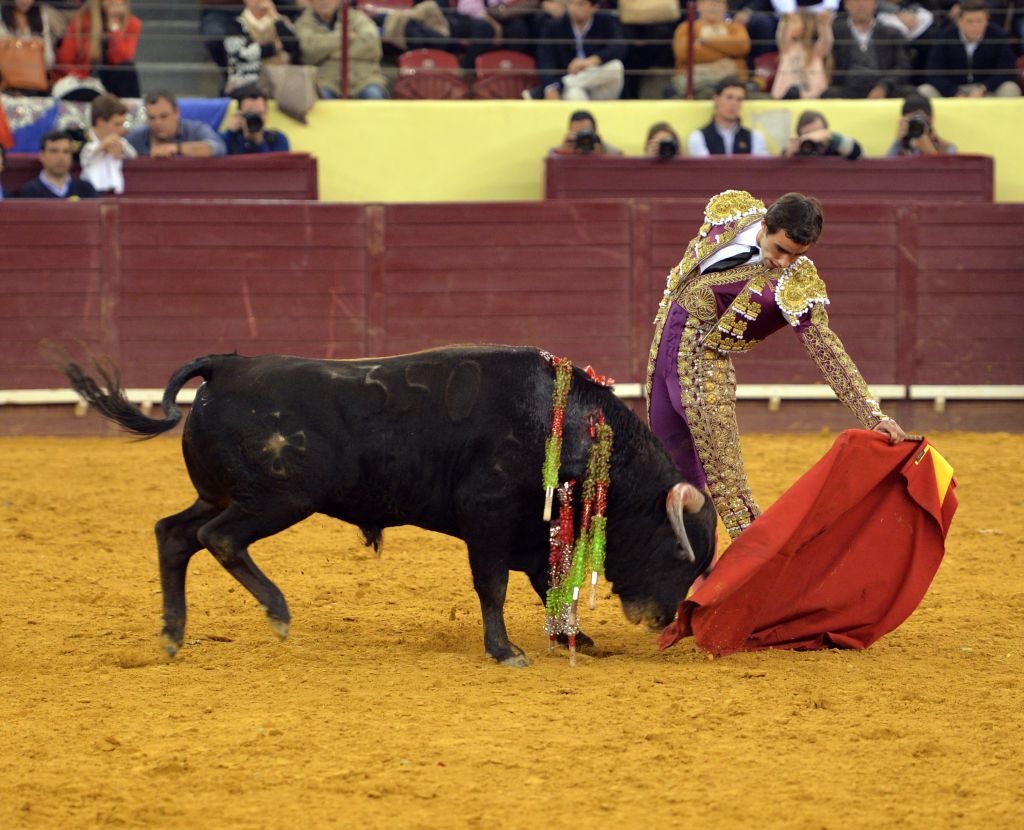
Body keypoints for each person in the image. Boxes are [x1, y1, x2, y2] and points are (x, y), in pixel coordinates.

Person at [646, 189, 906, 538]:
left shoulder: (796, 283)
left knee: (730, 490)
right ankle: (683, 572)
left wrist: (874, 416)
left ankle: (761, 574)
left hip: (704, 376)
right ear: (765, 224)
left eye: (796, 255)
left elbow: (826, 348)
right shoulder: (730, 214)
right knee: (670, 476)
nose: (784, 262)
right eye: (781, 249)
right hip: (660, 363)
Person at [527, 0, 626, 101]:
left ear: (594, 7)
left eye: (580, 4)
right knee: (575, 94)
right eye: (571, 3)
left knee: (616, 67)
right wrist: (550, 84)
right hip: (573, 86)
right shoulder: (554, 25)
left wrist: (590, 61)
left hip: (598, 82)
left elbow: (618, 47)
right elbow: (545, 60)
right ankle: (561, 86)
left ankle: (561, 84)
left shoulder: (606, 21)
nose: (573, 8)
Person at [919, 0, 1020, 98]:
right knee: (925, 90)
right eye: (970, 21)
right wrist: (954, 91)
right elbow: (933, 73)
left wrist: (984, 88)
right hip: (953, 92)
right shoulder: (945, 36)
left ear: (986, 20)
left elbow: (1007, 71)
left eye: (979, 21)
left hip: (987, 91)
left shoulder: (998, 36)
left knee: (1010, 88)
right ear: (959, 21)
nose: (975, 25)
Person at [295, 0, 388, 99]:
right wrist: (344, 37)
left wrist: (328, 53)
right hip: (325, 79)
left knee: (373, 94)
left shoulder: (358, 18)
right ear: (311, 1)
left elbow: (372, 47)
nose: (324, 2)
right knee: (323, 98)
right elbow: (307, 54)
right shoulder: (303, 23)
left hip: (364, 78)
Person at [53, 0, 142, 98]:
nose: (116, 3)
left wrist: (114, 28)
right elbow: (65, 59)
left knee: (127, 70)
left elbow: (121, 59)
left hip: (112, 82)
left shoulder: (132, 24)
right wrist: (82, 77)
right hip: (84, 80)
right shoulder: (82, 20)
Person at [826, 0, 912, 98]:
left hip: (884, 87)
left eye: (866, 0)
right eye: (856, 1)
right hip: (847, 89)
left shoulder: (891, 33)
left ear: (875, 4)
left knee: (912, 95)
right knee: (828, 95)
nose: (861, 4)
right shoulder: (834, 32)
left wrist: (884, 86)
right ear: (846, 5)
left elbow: (902, 66)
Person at [672, 0, 750, 99]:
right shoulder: (685, 27)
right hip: (696, 83)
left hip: (733, 82)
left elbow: (742, 47)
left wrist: (705, 41)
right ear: (698, 6)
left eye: (718, 2)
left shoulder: (736, 28)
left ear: (726, 6)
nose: (713, 5)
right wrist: (727, 53)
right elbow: (684, 52)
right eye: (708, 1)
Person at [222, 0, 299, 95]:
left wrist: (275, 17)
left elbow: (292, 46)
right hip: (246, 82)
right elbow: (241, 53)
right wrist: (273, 48)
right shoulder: (235, 23)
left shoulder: (281, 20)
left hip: (280, 81)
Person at [126, 90, 227, 158]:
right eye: (152, 118)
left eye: (164, 116)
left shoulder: (196, 130)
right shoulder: (137, 137)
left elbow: (218, 147)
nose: (158, 123)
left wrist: (177, 148)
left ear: (176, 112)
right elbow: (122, 146)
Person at [686, 76, 770, 156]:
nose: (734, 103)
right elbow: (706, 169)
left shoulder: (755, 137)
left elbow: (760, 169)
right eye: (729, 97)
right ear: (716, 100)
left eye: (739, 99)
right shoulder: (698, 137)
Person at [0, 0, 63, 92]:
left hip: (35, 87)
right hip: (6, 86)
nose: (25, 1)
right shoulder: (2, 16)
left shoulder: (41, 16)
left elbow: (49, 60)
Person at [80, 92, 136, 194]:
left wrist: (122, 148)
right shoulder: (80, 138)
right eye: (117, 124)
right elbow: (84, 158)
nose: (122, 129)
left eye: (122, 124)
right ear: (100, 121)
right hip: (89, 194)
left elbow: (134, 156)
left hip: (116, 192)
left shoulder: (120, 141)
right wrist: (102, 146)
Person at [15, 130, 99, 198]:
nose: (60, 157)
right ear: (41, 156)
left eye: (66, 152)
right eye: (54, 151)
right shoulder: (29, 193)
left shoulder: (86, 190)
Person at [772, 9, 832, 99]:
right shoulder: (787, 47)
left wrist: (823, 25)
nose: (791, 25)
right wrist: (785, 21)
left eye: (794, 22)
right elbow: (782, 35)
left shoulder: (815, 50)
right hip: (786, 96)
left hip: (813, 96)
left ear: (806, 25)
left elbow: (826, 41)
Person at [220, 86, 290, 154]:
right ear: (239, 114)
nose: (256, 118)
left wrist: (258, 142)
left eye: (260, 113)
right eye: (250, 113)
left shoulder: (277, 139)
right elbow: (221, 162)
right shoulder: (229, 139)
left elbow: (276, 165)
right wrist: (230, 133)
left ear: (266, 114)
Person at [886, 92, 956, 156]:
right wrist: (898, 140)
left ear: (931, 118)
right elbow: (886, 167)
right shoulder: (902, 145)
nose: (916, 125)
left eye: (919, 120)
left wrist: (931, 152)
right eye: (911, 121)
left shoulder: (946, 147)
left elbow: (950, 169)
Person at [782, 109, 862, 158]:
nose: (813, 137)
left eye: (818, 131)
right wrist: (787, 155)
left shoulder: (834, 145)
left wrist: (832, 136)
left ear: (826, 131)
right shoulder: (799, 149)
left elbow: (858, 153)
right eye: (807, 134)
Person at [548, 109, 622, 155]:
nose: (583, 138)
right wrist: (564, 149)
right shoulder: (565, 148)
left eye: (585, 132)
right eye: (577, 133)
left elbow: (620, 161)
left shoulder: (604, 148)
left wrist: (602, 149)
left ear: (595, 131)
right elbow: (551, 169)